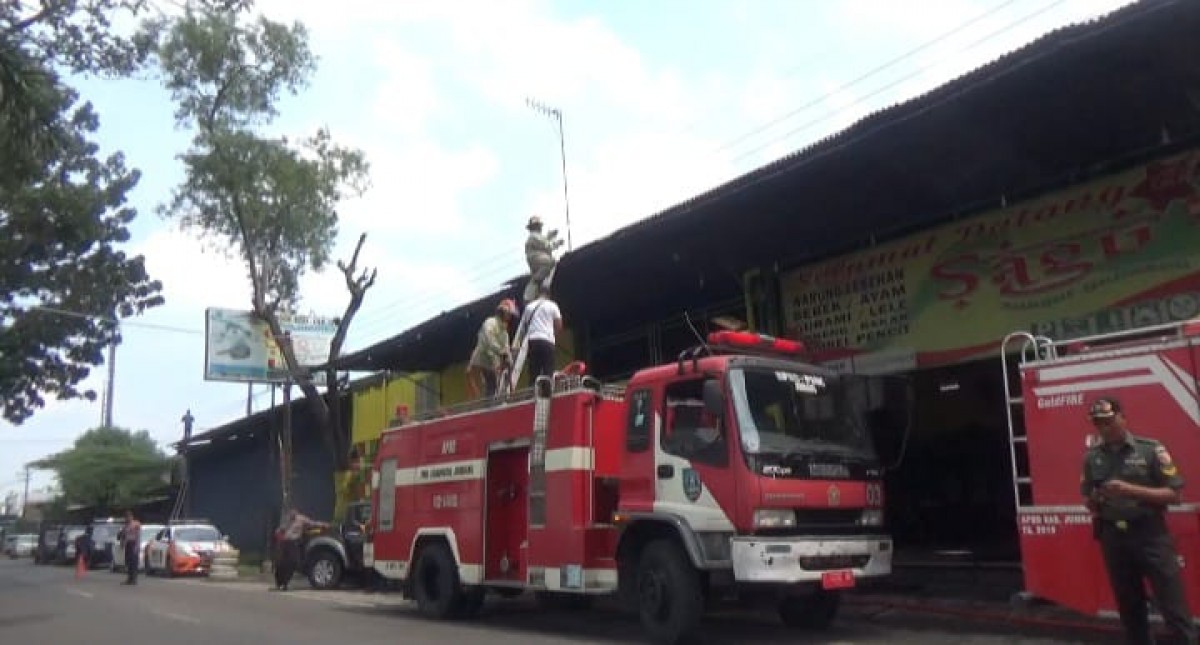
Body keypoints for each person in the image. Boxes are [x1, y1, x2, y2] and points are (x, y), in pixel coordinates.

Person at [1080, 396, 1197, 645]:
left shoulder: (1150, 450)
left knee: (1172, 605)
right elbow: (1088, 499)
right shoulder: (1092, 457)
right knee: (1129, 608)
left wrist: (1130, 490)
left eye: (1109, 421)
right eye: (1098, 423)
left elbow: (1174, 495)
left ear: (1123, 418)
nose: (1104, 428)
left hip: (1150, 534)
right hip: (1113, 537)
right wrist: (1096, 499)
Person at [466, 298, 517, 399]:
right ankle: (488, 404)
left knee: (492, 386)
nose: (510, 317)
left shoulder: (504, 332)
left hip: (493, 362)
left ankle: (490, 401)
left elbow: (506, 347)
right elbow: (489, 340)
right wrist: (501, 352)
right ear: (503, 313)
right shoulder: (490, 323)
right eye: (509, 314)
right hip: (483, 358)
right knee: (490, 385)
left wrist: (509, 360)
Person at [273, 508, 328, 591]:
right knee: (281, 564)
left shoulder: (301, 519)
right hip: (284, 543)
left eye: (293, 515)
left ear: (296, 514)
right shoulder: (287, 520)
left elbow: (313, 523)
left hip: (294, 543)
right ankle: (279, 583)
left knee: (293, 562)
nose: (291, 516)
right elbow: (280, 529)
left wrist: (323, 525)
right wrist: (278, 533)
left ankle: (285, 583)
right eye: (290, 515)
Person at [517, 284, 563, 381]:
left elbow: (524, 327)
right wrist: (553, 336)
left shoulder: (529, 307)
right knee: (548, 371)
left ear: (537, 294)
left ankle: (534, 388)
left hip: (533, 341)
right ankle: (547, 389)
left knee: (534, 371)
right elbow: (559, 325)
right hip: (547, 341)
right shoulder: (552, 305)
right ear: (549, 294)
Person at [523, 215, 563, 303]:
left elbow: (544, 240)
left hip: (536, 259)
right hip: (537, 259)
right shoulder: (534, 236)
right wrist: (557, 243)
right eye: (538, 226)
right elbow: (546, 246)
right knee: (551, 262)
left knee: (539, 274)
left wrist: (551, 236)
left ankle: (533, 292)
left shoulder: (536, 236)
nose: (540, 227)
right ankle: (544, 287)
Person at [121, 510, 141, 585]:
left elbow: (138, 535)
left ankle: (134, 579)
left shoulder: (136, 524)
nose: (127, 518)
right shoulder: (125, 526)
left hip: (134, 543)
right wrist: (122, 543)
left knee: (134, 562)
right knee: (128, 561)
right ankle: (129, 578)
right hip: (128, 544)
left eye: (129, 517)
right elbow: (123, 535)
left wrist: (137, 546)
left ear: (132, 517)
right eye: (126, 517)